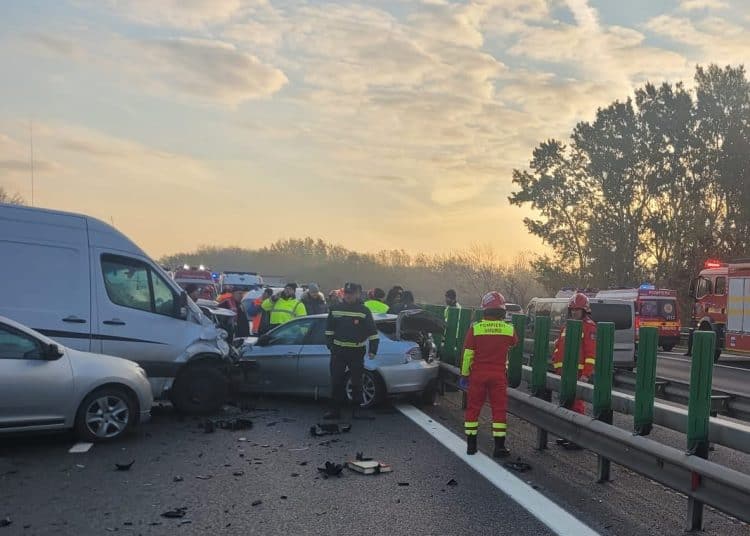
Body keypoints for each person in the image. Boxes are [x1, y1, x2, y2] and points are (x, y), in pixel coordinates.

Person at [460, 291, 518, 458]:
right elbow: (514, 342)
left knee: (473, 409)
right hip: (498, 375)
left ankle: (471, 446)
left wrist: (465, 375)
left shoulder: (476, 328)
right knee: (499, 410)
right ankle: (499, 447)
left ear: (484, 309)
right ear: (502, 311)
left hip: (478, 375)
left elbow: (468, 354)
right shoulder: (508, 329)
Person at [324, 282, 379, 420]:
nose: (348, 296)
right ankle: (334, 411)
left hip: (356, 351)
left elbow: (372, 332)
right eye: (347, 293)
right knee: (336, 381)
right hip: (338, 351)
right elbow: (329, 329)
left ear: (357, 294)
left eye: (351, 293)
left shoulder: (363, 310)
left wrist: (373, 349)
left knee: (356, 382)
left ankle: (357, 410)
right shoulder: (335, 308)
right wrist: (330, 345)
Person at [551, 292, 597, 449]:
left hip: (577, 375)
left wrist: (585, 374)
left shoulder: (589, 326)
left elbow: (591, 354)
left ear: (585, 310)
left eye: (577, 310)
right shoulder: (567, 325)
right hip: (563, 373)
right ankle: (567, 436)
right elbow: (559, 347)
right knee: (565, 405)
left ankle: (577, 440)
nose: (574, 312)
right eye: (572, 310)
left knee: (577, 408)